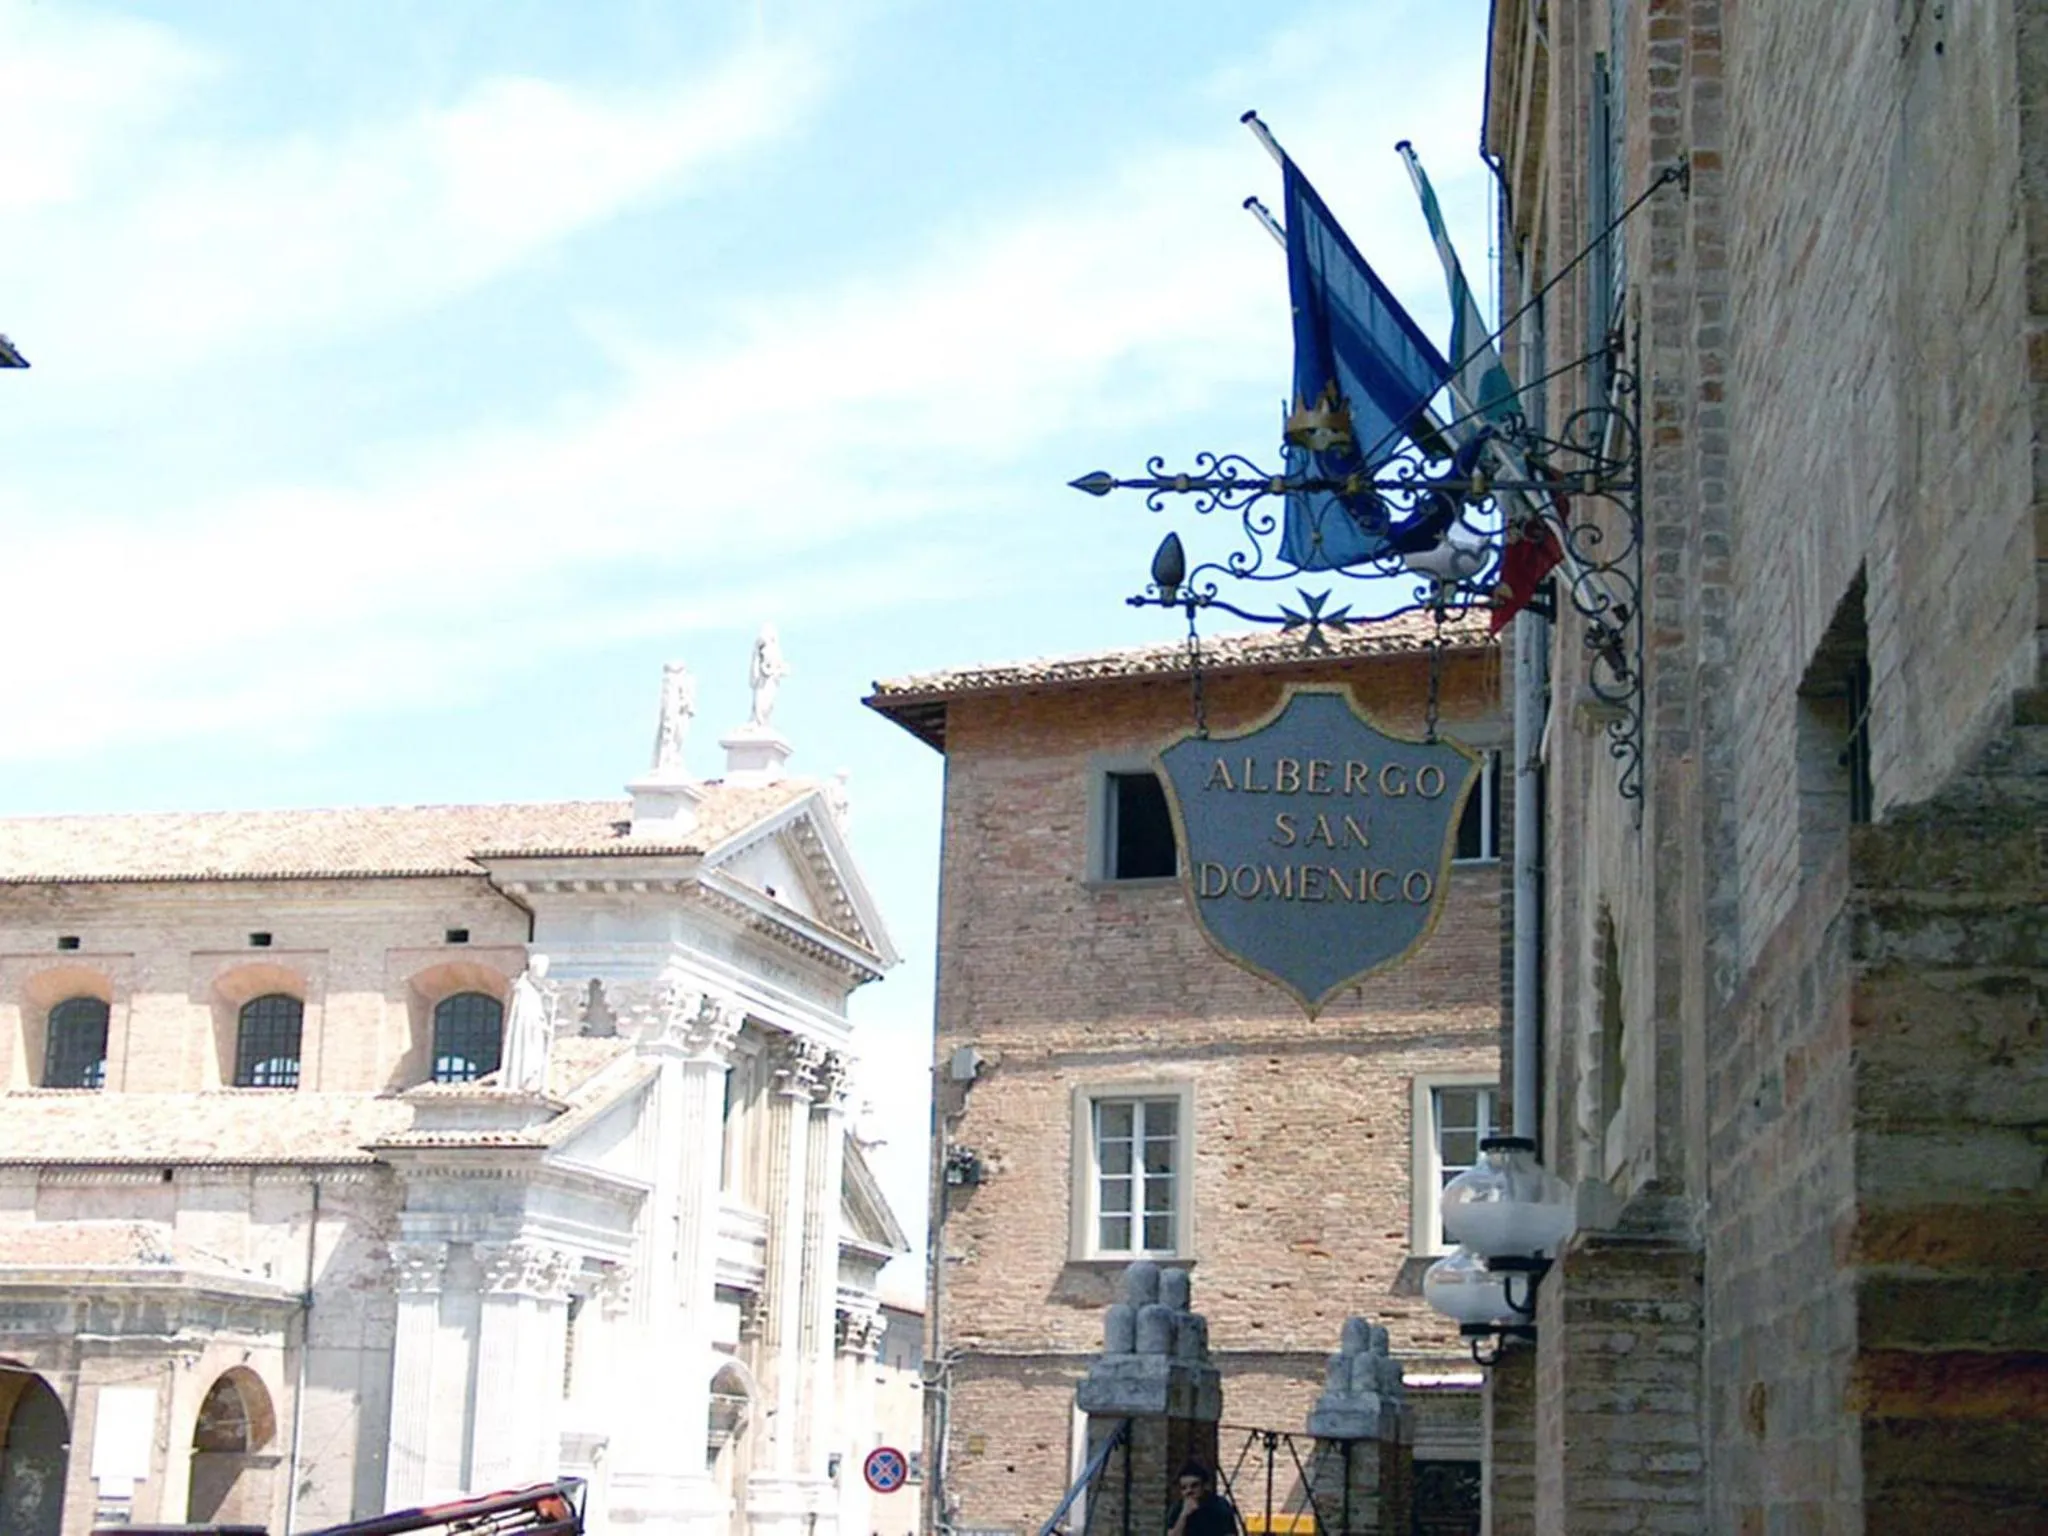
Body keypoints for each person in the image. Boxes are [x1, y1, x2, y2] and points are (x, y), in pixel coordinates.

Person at [1168, 1461, 1238, 1536]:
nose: (1189, 1491)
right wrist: (1183, 1516)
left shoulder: (1219, 1505)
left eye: (1194, 1486)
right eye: (1184, 1488)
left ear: (1205, 1486)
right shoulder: (1178, 1508)